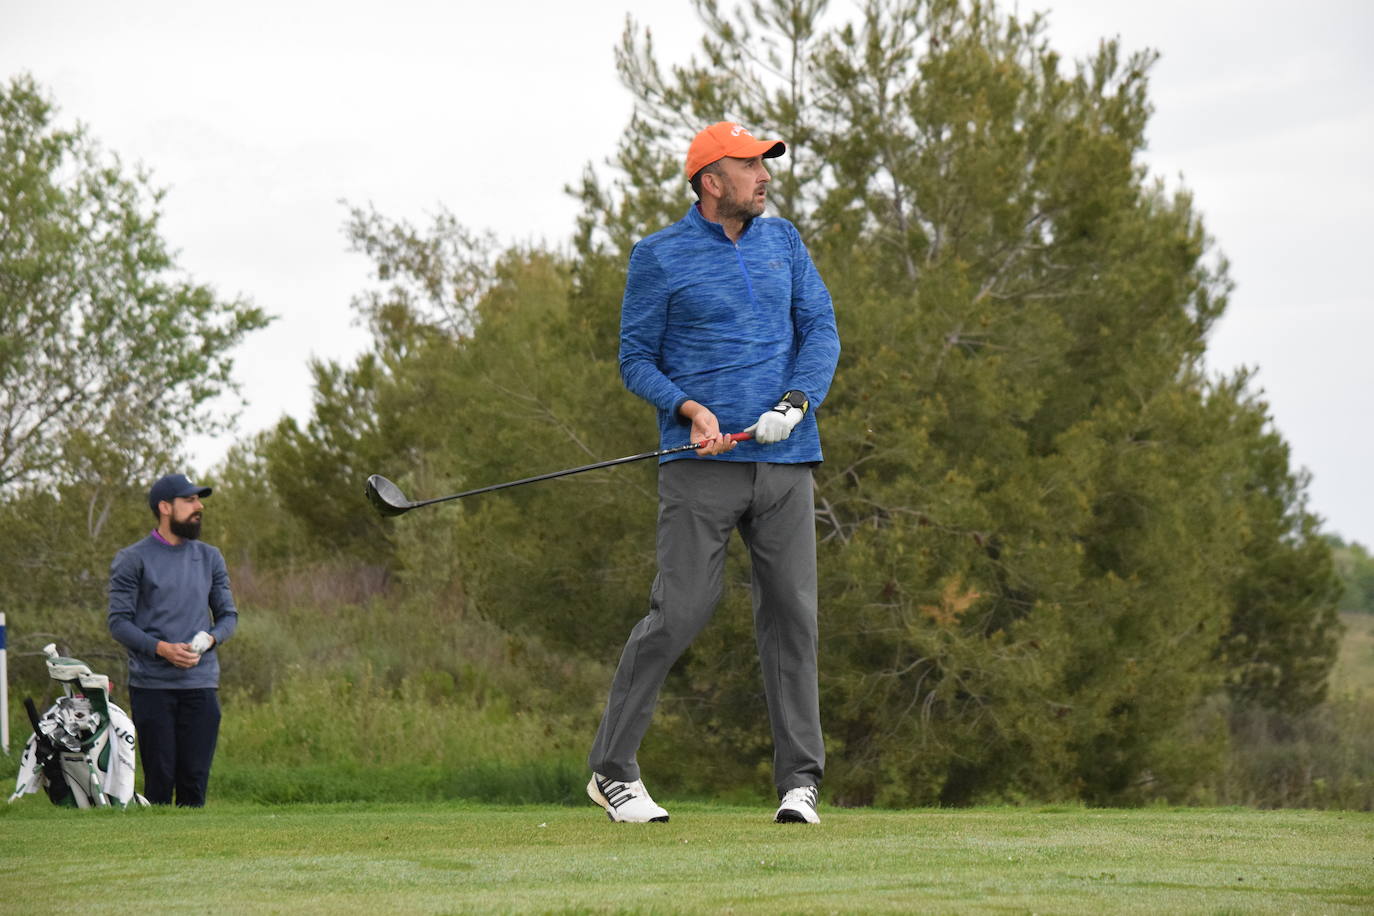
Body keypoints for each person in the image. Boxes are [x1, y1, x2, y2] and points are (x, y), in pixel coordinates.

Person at [586, 121, 840, 824]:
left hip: (786, 460)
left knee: (793, 617)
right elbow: (636, 359)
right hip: (702, 465)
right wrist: (689, 408)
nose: (765, 176)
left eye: (765, 164)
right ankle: (612, 772)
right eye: (750, 165)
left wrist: (796, 401)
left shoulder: (784, 241)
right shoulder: (659, 256)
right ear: (710, 181)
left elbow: (820, 328)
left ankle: (800, 783)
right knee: (682, 611)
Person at [108, 473, 238, 806]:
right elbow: (119, 623)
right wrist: (162, 649)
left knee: (194, 782)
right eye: (190, 500)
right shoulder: (132, 559)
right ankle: (154, 854)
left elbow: (228, 617)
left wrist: (210, 640)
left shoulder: (210, 557)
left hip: (201, 684)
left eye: (199, 500)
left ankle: (194, 856)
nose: (200, 506)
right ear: (165, 507)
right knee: (160, 781)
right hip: (152, 687)